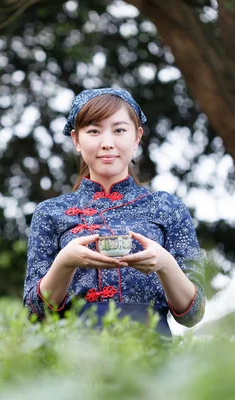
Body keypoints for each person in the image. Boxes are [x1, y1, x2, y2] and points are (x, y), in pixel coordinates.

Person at [23, 88, 205, 336]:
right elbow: (34, 314)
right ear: (76, 140)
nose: (107, 143)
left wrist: (164, 263)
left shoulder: (167, 207)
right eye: (94, 131)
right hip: (73, 361)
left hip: (153, 359)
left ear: (137, 137)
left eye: (119, 130)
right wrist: (65, 263)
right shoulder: (50, 212)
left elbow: (193, 313)